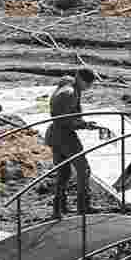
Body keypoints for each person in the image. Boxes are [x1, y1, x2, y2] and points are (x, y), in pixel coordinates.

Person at [45, 68, 102, 218]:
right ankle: (83, 206)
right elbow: (63, 118)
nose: (89, 86)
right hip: (63, 135)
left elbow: (69, 115)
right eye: (88, 83)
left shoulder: (70, 86)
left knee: (64, 173)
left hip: (56, 134)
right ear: (79, 78)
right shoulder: (69, 93)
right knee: (83, 169)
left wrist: (84, 123)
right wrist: (84, 125)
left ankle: (59, 208)